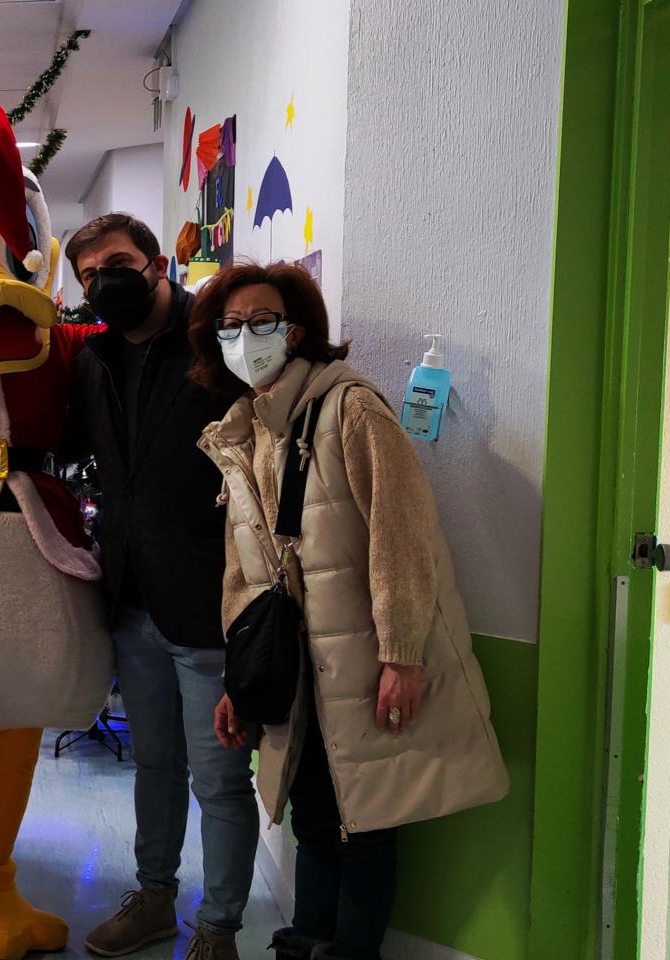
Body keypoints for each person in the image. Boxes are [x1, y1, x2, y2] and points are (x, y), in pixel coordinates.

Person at [192, 263, 509, 960]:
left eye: (262, 321)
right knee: (310, 823)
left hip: (362, 667)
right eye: (231, 326)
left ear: (296, 331)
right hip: (294, 673)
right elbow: (243, 576)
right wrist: (240, 682)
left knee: (364, 830)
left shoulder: (351, 410)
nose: (246, 337)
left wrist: (402, 655)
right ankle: (305, 945)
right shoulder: (242, 433)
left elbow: (403, 538)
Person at [65, 214, 254, 960]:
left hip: (212, 602)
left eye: (116, 263)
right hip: (131, 599)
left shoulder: (216, 343)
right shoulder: (96, 359)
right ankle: (153, 899)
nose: (102, 282)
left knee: (220, 779)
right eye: (88, 275)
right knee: (154, 765)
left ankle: (219, 929)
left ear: (156, 264)